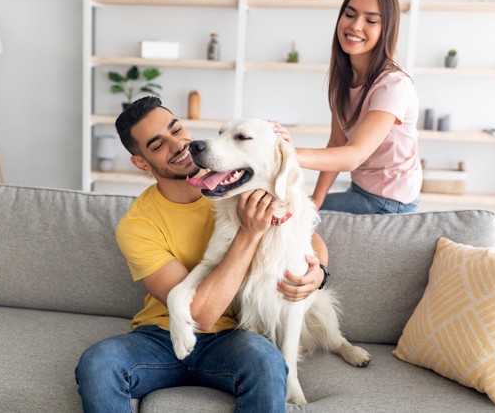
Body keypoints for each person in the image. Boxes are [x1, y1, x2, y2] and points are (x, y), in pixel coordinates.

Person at [75, 96, 328, 412]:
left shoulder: (237, 184)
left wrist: (318, 272)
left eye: (177, 129)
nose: (178, 145)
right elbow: (200, 316)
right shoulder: (137, 225)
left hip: (233, 336)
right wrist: (248, 234)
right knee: (98, 362)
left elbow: (306, 233)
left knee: (266, 361)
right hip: (162, 336)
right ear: (141, 162)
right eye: (157, 145)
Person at [275, 0, 422, 215]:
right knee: (296, 210)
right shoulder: (345, 78)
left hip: (391, 203)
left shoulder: (393, 85)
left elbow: (353, 155)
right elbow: (337, 142)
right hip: (361, 189)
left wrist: (282, 152)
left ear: (386, 30)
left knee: (287, 215)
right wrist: (317, 199)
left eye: (371, 20)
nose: (355, 26)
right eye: (350, 14)